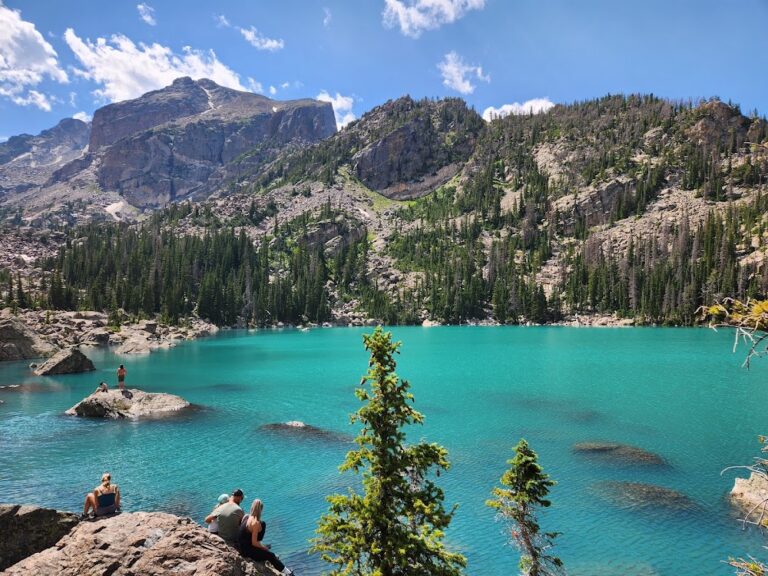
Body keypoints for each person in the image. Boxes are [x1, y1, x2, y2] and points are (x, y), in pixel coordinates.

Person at [238, 498, 294, 575]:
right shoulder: (256, 523)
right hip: (246, 551)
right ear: (261, 509)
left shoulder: (247, 517)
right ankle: (288, 572)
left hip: (242, 546)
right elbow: (254, 543)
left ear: (252, 507)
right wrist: (264, 547)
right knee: (271, 555)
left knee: (266, 547)